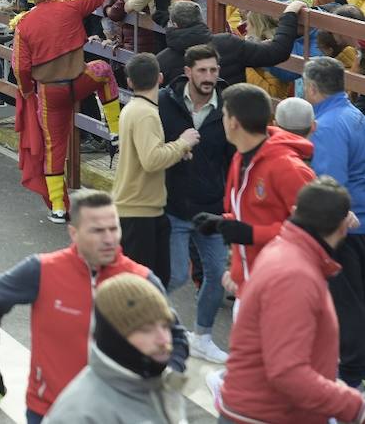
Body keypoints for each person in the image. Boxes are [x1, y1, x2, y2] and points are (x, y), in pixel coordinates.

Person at [0, 189, 186, 421]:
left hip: (117, 414)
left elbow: (176, 335)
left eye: (114, 228)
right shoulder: (42, 270)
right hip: (48, 410)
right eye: (97, 230)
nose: (109, 239)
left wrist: (169, 377)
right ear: (73, 232)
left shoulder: (140, 279)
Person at [215, 178, 365, 424]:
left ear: (295, 212)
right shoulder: (295, 274)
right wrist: (354, 406)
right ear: (342, 228)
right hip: (265, 415)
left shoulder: (285, 252)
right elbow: (287, 372)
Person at [193, 82, 315, 300]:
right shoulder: (242, 157)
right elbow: (255, 215)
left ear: (233, 122)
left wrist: (250, 234)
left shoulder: (287, 167)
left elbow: (311, 231)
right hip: (250, 287)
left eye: (223, 114)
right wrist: (223, 222)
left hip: (282, 291)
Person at [157, 43, 232, 362]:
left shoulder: (229, 106)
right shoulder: (165, 101)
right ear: (187, 72)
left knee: (218, 275)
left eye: (214, 70)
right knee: (175, 276)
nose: (209, 76)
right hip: (174, 206)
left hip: (212, 209)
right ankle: (147, 327)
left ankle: (202, 336)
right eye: (202, 70)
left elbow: (234, 157)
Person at [300, 56, 365, 385]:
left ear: (311, 88)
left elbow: (330, 186)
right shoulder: (354, 115)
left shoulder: (326, 127)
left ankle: (351, 373)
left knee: (347, 301)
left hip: (346, 229)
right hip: (359, 222)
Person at [43, 274, 186, 424]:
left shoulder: (163, 381)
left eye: (165, 326)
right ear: (116, 338)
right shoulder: (78, 415)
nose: (163, 339)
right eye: (146, 330)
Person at [111, 53, 199, 287]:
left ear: (129, 82)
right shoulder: (146, 113)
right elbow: (151, 160)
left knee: (154, 281)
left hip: (142, 207)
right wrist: (183, 143)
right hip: (139, 208)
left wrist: (177, 150)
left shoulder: (134, 108)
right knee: (141, 285)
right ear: (160, 78)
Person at [157, 0, 303, 86]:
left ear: (174, 24)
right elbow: (277, 52)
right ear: (200, 19)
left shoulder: (162, 61)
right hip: (232, 121)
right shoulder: (228, 43)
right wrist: (289, 15)